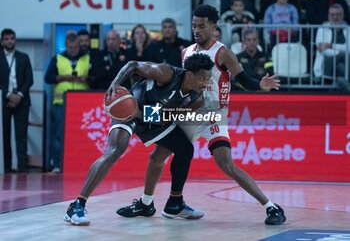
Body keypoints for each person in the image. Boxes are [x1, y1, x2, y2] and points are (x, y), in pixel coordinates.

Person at [117, 4, 286, 226]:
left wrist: (260, 85)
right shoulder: (186, 52)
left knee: (226, 164)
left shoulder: (222, 52)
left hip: (213, 113)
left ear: (214, 26)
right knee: (157, 157)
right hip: (189, 111)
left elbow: (243, 79)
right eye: (194, 25)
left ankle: (271, 207)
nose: (197, 30)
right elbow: (182, 86)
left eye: (202, 26)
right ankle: (149, 203)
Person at [64, 53, 214, 225]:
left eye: (208, 79)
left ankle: (172, 204)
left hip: (152, 117)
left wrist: (142, 114)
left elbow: (167, 117)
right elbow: (133, 65)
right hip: (129, 108)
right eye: (202, 78)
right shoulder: (166, 73)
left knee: (185, 149)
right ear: (189, 74)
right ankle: (77, 205)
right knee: (115, 150)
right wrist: (115, 84)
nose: (205, 84)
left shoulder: (197, 99)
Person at [44, 33, 90, 173]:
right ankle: (57, 163)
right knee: (58, 134)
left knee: (81, 134)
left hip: (82, 102)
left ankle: (81, 163)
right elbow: (48, 78)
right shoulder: (58, 58)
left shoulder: (87, 58)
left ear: (78, 45)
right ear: (66, 45)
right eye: (70, 47)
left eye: (75, 47)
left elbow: (96, 77)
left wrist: (86, 79)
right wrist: (62, 77)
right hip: (61, 102)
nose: (72, 50)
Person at [0, 28, 33, 173]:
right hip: (4, 100)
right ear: (2, 41)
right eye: (6, 39)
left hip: (22, 100)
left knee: (21, 135)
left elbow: (29, 79)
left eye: (12, 38)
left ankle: (22, 167)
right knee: (5, 135)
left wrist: (19, 95)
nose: (9, 41)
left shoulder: (23, 57)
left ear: (15, 40)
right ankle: (6, 167)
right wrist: (8, 94)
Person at [313, 3, 350, 92]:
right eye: (332, 15)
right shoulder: (322, 29)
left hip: (347, 61)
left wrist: (331, 46)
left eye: (338, 14)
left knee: (341, 64)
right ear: (328, 16)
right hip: (327, 61)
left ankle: (334, 85)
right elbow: (322, 50)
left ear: (343, 15)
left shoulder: (348, 29)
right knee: (340, 65)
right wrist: (340, 53)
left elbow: (349, 49)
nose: (335, 17)